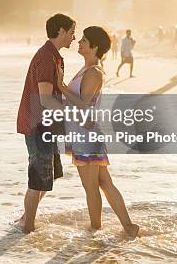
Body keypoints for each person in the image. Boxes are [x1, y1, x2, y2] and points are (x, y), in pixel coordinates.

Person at [57, 26, 139, 238]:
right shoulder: (86, 69)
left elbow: (83, 105)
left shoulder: (94, 73)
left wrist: (62, 87)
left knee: (91, 187)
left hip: (87, 136)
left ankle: (94, 230)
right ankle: (128, 227)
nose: (79, 42)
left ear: (94, 47)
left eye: (84, 40)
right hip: (84, 135)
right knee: (103, 183)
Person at [15, 13, 76, 234]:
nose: (74, 38)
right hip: (38, 126)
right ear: (60, 31)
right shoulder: (45, 57)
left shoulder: (55, 57)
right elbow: (45, 98)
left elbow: (55, 91)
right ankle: (27, 228)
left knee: (48, 176)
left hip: (48, 126)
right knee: (38, 178)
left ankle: (25, 218)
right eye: (71, 32)